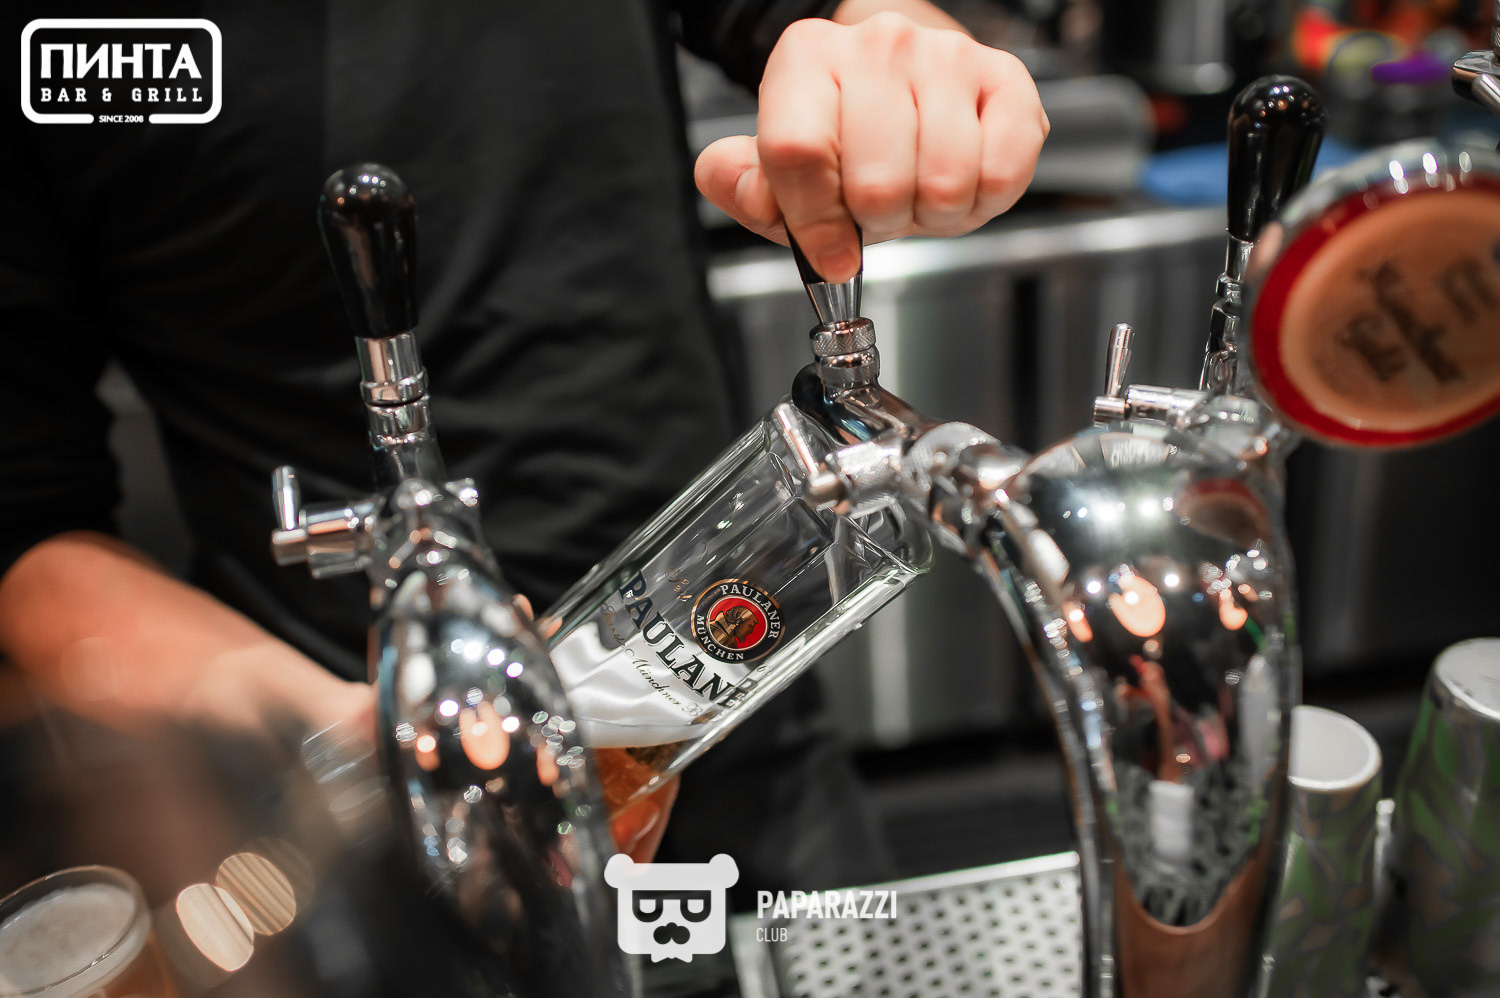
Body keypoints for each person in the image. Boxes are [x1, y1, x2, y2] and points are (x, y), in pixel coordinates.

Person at [0, 0, 1046, 895]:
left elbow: (845, 21)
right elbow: (28, 524)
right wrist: (356, 741)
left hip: (738, 716)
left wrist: (913, 70)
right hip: (353, 793)